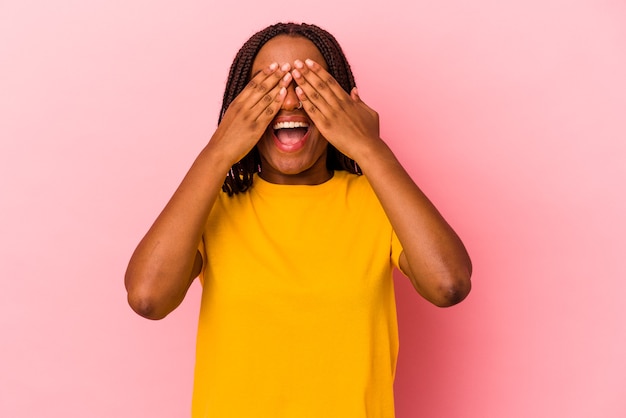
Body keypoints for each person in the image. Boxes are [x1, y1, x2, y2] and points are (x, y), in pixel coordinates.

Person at [125, 22, 472, 418]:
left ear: (340, 101)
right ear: (239, 108)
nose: (288, 102)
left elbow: (448, 283)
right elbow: (147, 297)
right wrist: (218, 151)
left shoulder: (380, 203)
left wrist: (369, 147)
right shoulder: (212, 208)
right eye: (269, 88)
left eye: (308, 84)